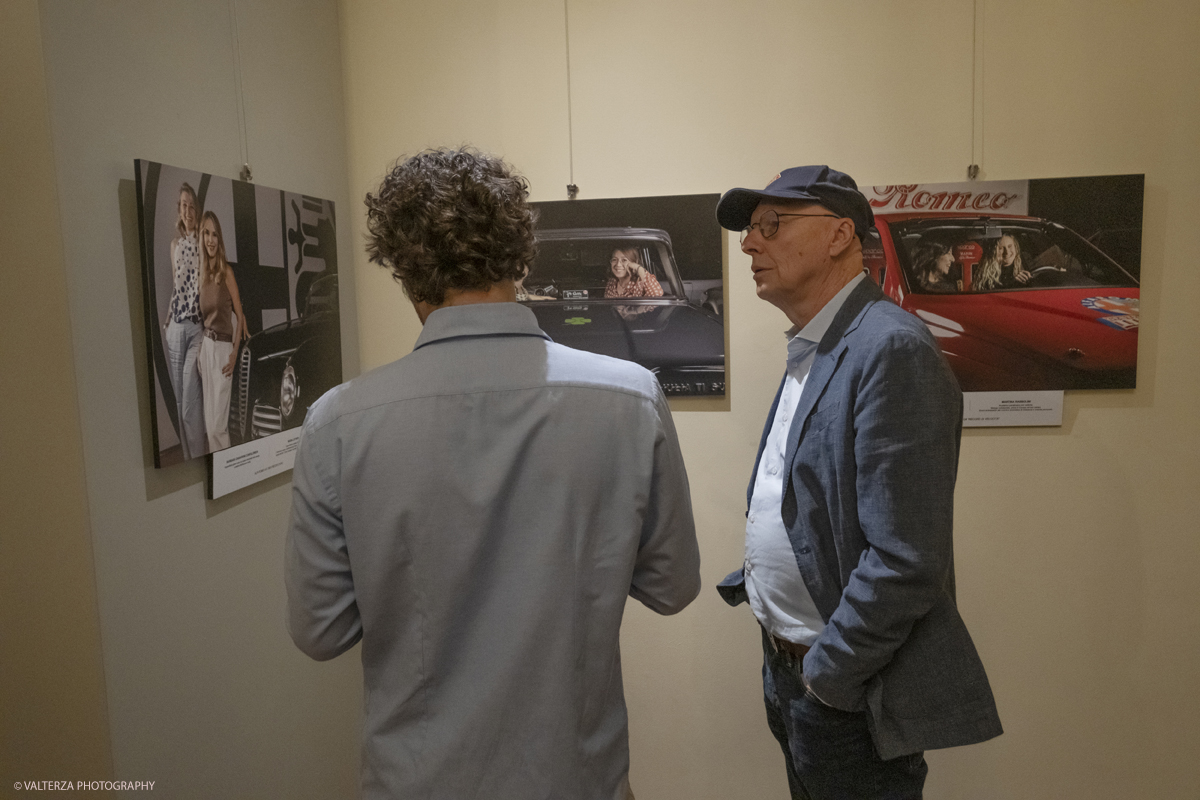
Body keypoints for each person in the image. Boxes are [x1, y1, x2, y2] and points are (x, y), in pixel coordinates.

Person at [285, 147, 701, 800]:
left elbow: (321, 629)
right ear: (521, 256)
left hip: (417, 783)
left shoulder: (338, 422)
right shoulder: (630, 397)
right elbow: (672, 587)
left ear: (405, 274)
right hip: (577, 779)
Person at [714, 165, 1002, 799]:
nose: (749, 244)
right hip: (792, 666)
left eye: (772, 224)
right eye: (752, 229)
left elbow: (905, 559)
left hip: (844, 687)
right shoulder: (819, 346)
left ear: (840, 233)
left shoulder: (889, 349)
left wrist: (828, 675)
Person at [196, 211, 248, 452]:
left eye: (215, 234)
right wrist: (200, 353)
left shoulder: (226, 272)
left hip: (224, 351)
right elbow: (204, 319)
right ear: (201, 237)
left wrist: (235, 354)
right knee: (209, 426)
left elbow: (239, 313)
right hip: (206, 350)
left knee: (218, 427)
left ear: (220, 239)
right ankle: (218, 479)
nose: (210, 240)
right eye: (206, 233)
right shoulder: (202, 274)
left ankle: (228, 480)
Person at [163, 182, 206, 459]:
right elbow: (176, 286)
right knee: (179, 403)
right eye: (183, 205)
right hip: (175, 327)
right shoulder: (175, 244)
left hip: (196, 328)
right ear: (178, 210)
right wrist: (167, 320)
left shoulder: (203, 240)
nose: (187, 210)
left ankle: (200, 459)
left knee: (191, 402)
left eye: (191, 205)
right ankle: (189, 461)